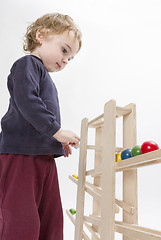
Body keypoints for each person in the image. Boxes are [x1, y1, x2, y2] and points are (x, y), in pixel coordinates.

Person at [0, 13, 82, 240]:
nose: (66, 60)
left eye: (70, 58)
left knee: (51, 217)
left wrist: (55, 139)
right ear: (41, 35)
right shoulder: (26, 65)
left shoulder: (45, 78)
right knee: (20, 217)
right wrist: (56, 131)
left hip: (42, 156)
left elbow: (41, 115)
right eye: (64, 50)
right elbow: (28, 103)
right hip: (21, 154)